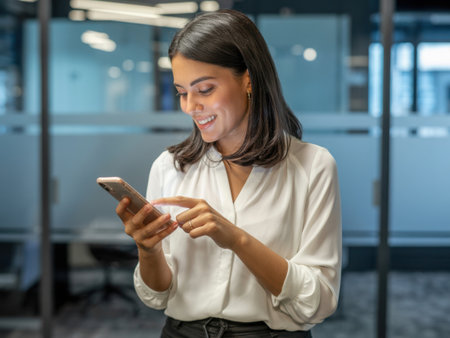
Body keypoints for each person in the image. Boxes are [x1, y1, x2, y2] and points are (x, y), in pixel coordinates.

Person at [116, 9, 341, 338]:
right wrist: (148, 250)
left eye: (204, 90)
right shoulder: (170, 166)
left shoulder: (312, 166)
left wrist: (236, 239)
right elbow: (157, 295)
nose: (190, 106)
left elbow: (318, 301)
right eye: (182, 92)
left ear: (248, 80)